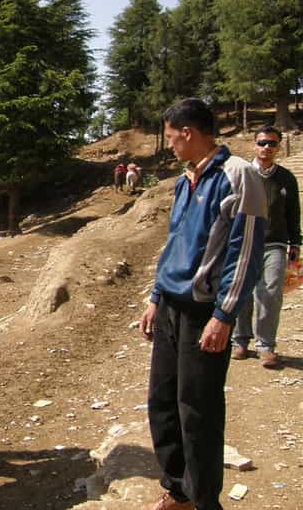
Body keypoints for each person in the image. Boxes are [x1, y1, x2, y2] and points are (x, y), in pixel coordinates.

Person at [139, 98, 266, 510]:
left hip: (205, 313)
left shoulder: (239, 175)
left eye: (173, 137)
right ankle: (178, 490)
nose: (171, 145)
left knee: (198, 411)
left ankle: (204, 500)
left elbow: (243, 251)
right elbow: (174, 241)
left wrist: (224, 315)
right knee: (162, 402)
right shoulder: (184, 180)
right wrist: (155, 296)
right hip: (171, 310)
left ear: (189, 133)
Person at [232, 125, 301, 369]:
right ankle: (240, 340)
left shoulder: (286, 178)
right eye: (262, 143)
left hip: (276, 243)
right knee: (242, 292)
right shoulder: (241, 174)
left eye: (272, 143)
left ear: (278, 146)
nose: (266, 148)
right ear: (254, 144)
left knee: (270, 292)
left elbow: (293, 212)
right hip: (245, 242)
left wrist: (296, 242)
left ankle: (265, 345)